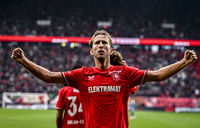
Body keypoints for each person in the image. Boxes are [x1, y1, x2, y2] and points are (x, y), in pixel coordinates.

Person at [11, 30, 197, 128]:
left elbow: (158, 75)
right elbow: (49, 76)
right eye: (97, 43)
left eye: (104, 42)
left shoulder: (125, 73)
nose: (101, 45)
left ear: (111, 49)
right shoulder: (82, 75)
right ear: (91, 50)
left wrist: (184, 62)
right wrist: (23, 61)